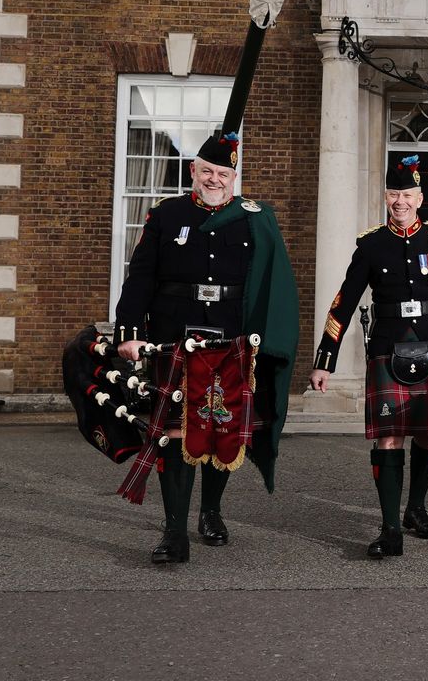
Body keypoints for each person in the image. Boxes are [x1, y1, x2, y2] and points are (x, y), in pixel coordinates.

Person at [114, 131, 299, 564]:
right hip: (174, 333)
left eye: (224, 174)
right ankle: (174, 532)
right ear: (194, 171)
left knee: (222, 429)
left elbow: (273, 283)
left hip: (231, 337)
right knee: (176, 431)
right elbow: (140, 276)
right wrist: (127, 331)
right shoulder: (167, 215)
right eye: (208, 171)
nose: (215, 179)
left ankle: (211, 513)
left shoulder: (254, 219)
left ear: (234, 178)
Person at [309, 155, 428, 559]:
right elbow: (343, 303)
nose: (399, 202)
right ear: (385, 196)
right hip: (389, 348)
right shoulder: (371, 245)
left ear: (420, 198)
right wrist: (325, 359)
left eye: (406, 194)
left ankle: (416, 509)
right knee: (388, 436)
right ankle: (390, 529)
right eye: (393, 194)